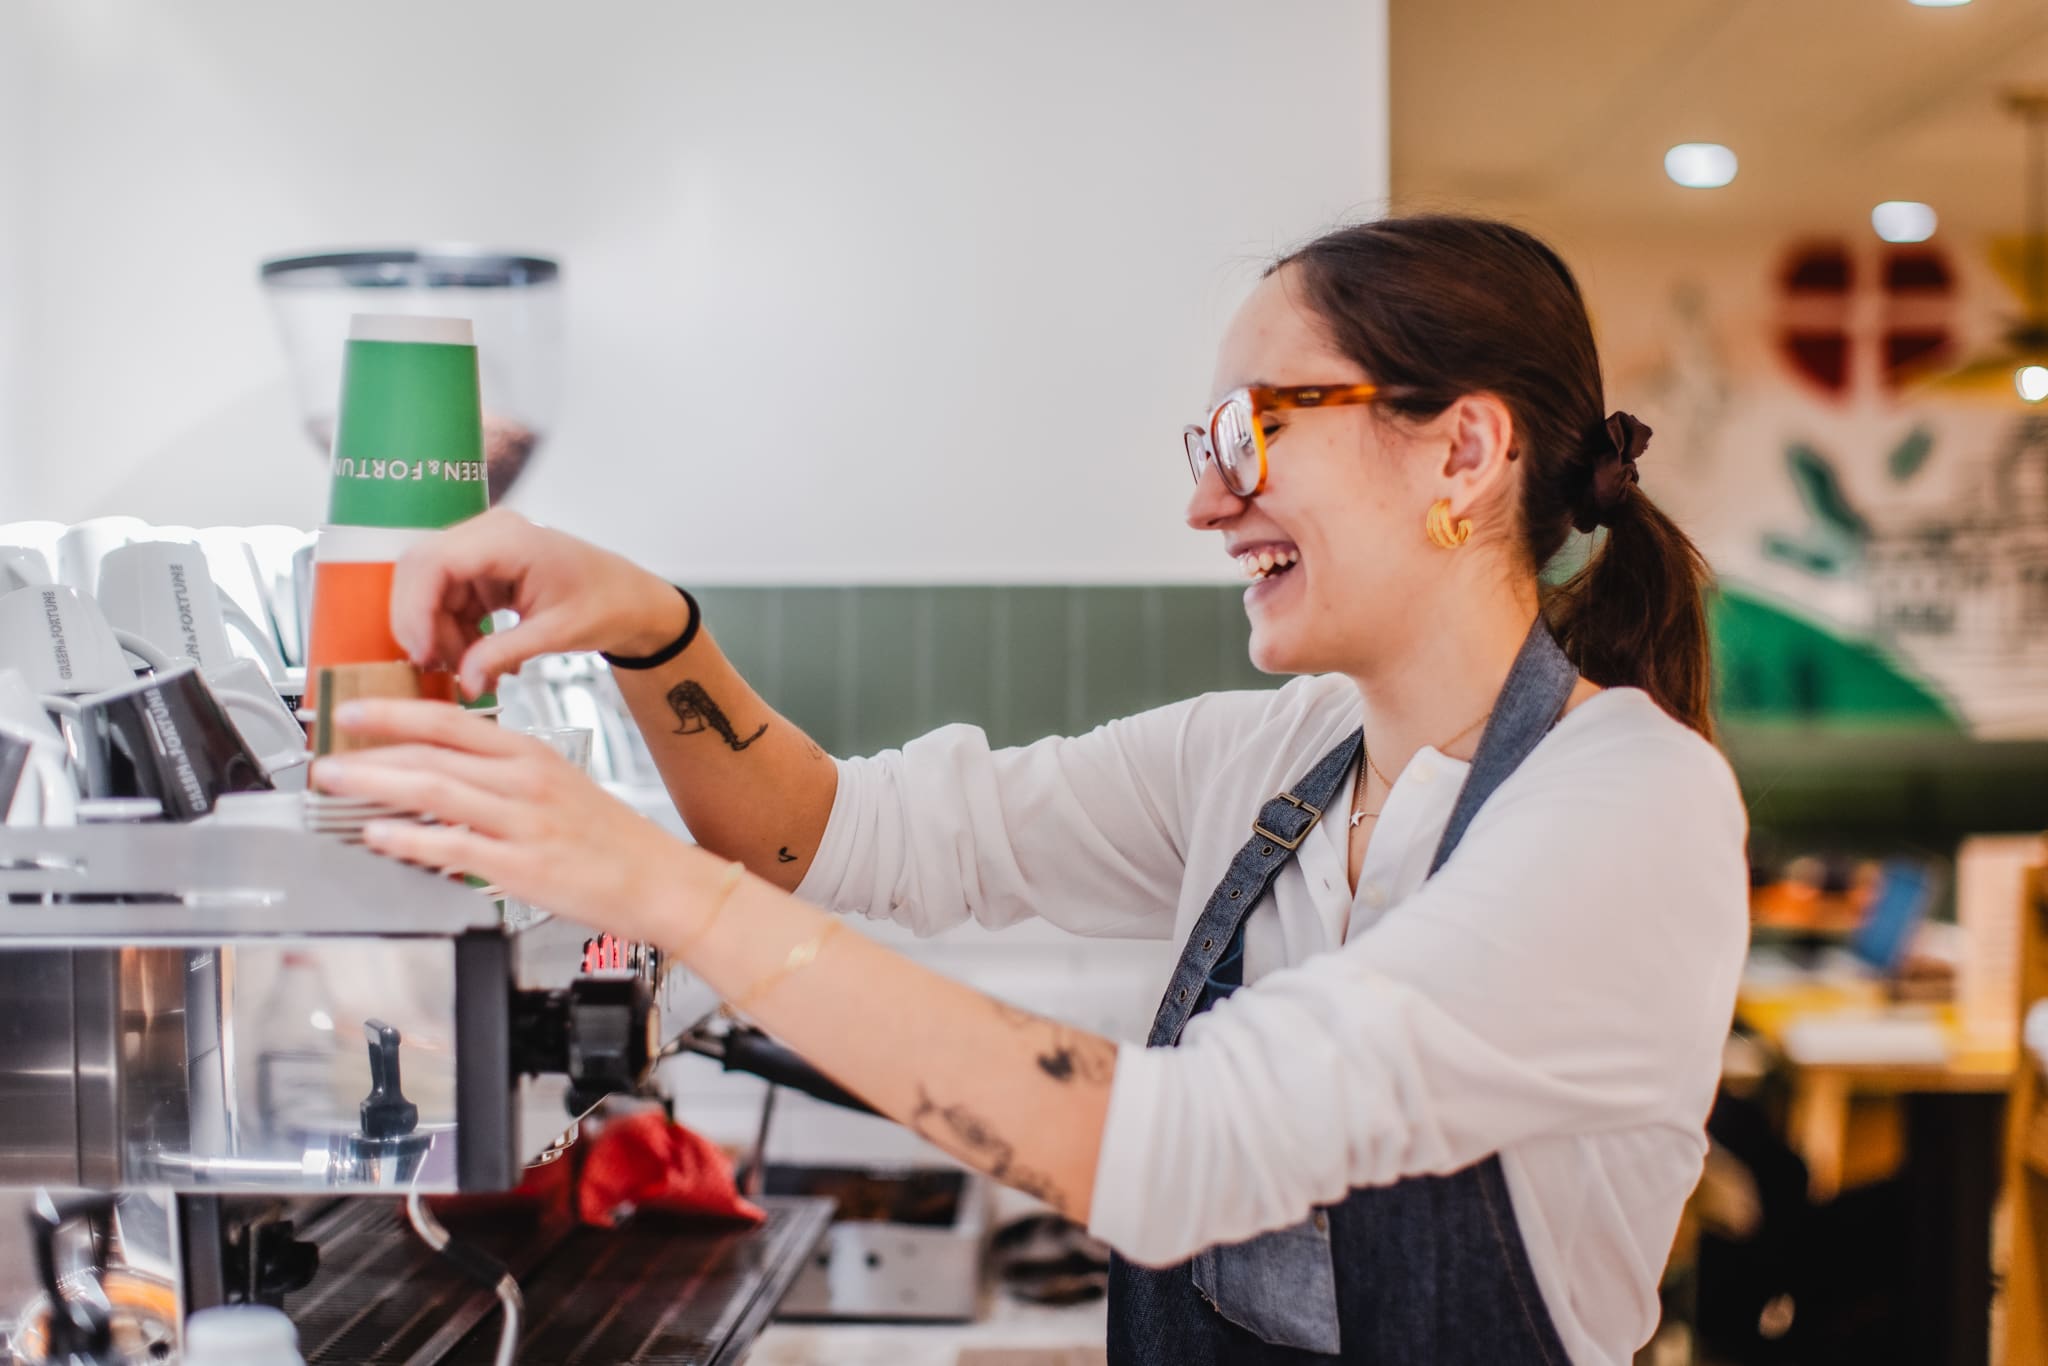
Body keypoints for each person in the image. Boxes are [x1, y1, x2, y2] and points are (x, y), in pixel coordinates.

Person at [313, 215, 1749, 1364]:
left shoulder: (1627, 808)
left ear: (1465, 449)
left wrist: (649, 885)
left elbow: (1191, 1146)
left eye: (1252, 433)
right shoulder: (1273, 760)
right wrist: (650, 628)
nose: (1205, 501)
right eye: (1206, 449)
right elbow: (831, 834)